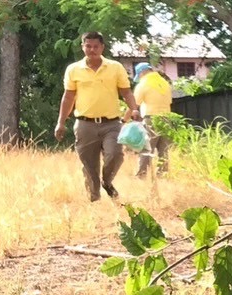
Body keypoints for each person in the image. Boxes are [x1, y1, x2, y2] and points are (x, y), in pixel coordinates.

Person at [54, 32, 142, 202]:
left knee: (115, 154)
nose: (92, 50)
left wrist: (134, 109)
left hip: (112, 123)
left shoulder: (115, 67)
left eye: (96, 46)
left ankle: (107, 182)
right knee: (89, 165)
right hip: (85, 124)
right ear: (82, 47)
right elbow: (68, 97)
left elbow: (126, 92)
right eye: (88, 46)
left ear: (102, 47)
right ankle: (94, 201)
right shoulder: (73, 69)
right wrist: (61, 122)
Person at [132, 61, 174, 178]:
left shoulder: (143, 83)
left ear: (141, 73)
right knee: (163, 150)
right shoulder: (164, 83)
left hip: (151, 118)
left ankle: (141, 175)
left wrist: (125, 120)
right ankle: (163, 175)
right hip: (166, 118)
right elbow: (170, 101)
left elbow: (134, 104)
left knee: (146, 149)